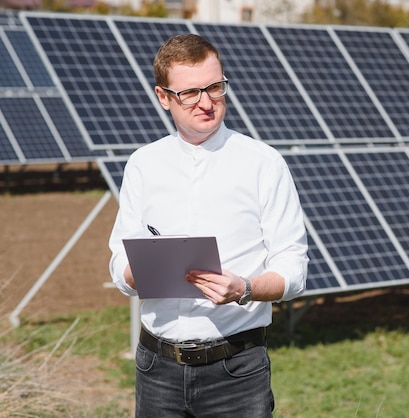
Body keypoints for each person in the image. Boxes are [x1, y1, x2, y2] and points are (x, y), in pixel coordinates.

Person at [108, 33, 308, 417]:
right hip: (157, 368)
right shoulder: (143, 165)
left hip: (236, 370)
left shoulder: (263, 164)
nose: (206, 102)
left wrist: (245, 288)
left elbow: (293, 269)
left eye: (215, 87)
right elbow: (119, 261)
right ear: (163, 97)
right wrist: (138, 270)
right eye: (190, 92)